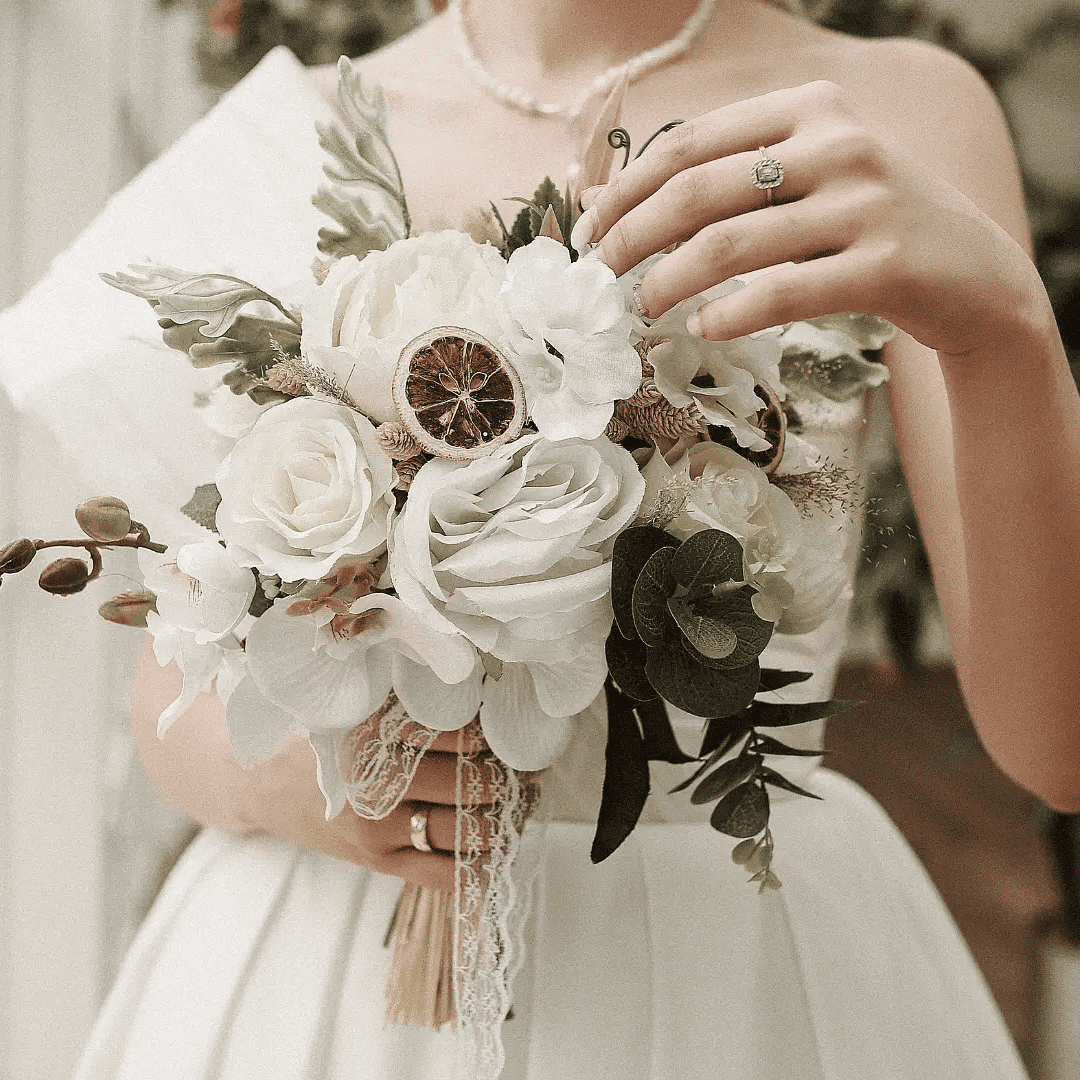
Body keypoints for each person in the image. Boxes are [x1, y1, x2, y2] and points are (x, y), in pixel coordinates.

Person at [2, 0, 1078, 1076]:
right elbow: (170, 677)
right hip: (335, 974)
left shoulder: (899, 116)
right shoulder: (296, 128)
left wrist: (1005, 334)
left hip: (735, 976)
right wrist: (287, 776)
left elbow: (1058, 749)